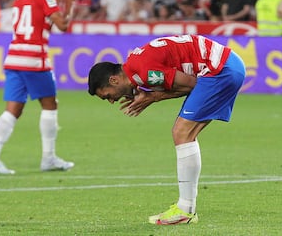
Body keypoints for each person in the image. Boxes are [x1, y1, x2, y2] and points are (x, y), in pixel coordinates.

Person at [87, 34, 245, 225]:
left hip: (220, 70)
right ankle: (186, 208)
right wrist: (151, 96)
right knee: (186, 134)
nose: (112, 101)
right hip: (225, 66)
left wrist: (153, 97)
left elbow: (191, 84)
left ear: (113, 80)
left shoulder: (143, 72)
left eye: (107, 96)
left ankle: (185, 210)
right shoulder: (137, 67)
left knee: (182, 132)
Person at [0, 0, 80, 174]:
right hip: (34, 59)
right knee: (50, 105)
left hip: (14, 58)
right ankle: (49, 158)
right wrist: (69, 2)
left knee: (13, 110)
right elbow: (63, 25)